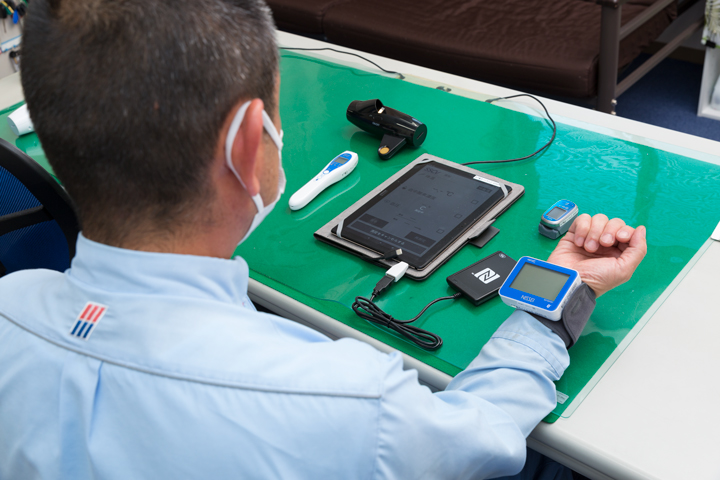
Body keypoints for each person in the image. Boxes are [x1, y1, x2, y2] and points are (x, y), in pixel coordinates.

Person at [0, 0, 647, 478]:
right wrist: (564, 296)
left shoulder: (12, 306)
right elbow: (486, 436)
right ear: (248, 143)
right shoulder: (344, 399)